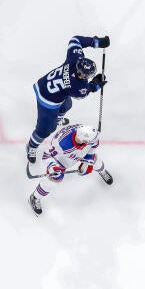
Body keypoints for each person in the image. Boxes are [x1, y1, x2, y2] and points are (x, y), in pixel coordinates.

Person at [26, 35, 110, 163]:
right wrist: (95, 85)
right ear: (82, 74)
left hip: (47, 84)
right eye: (86, 76)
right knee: (46, 130)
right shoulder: (78, 86)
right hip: (47, 100)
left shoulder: (75, 58)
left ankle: (58, 119)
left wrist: (96, 42)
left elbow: (75, 40)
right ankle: (31, 146)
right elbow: (84, 93)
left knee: (67, 105)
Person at [28, 124, 113, 216]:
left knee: (94, 161)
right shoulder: (61, 144)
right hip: (60, 159)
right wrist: (54, 167)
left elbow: (93, 145)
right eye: (88, 141)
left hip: (79, 151)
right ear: (82, 140)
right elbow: (46, 156)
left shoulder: (90, 133)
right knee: (55, 179)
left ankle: (102, 171)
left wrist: (87, 161)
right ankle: (35, 197)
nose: (92, 141)